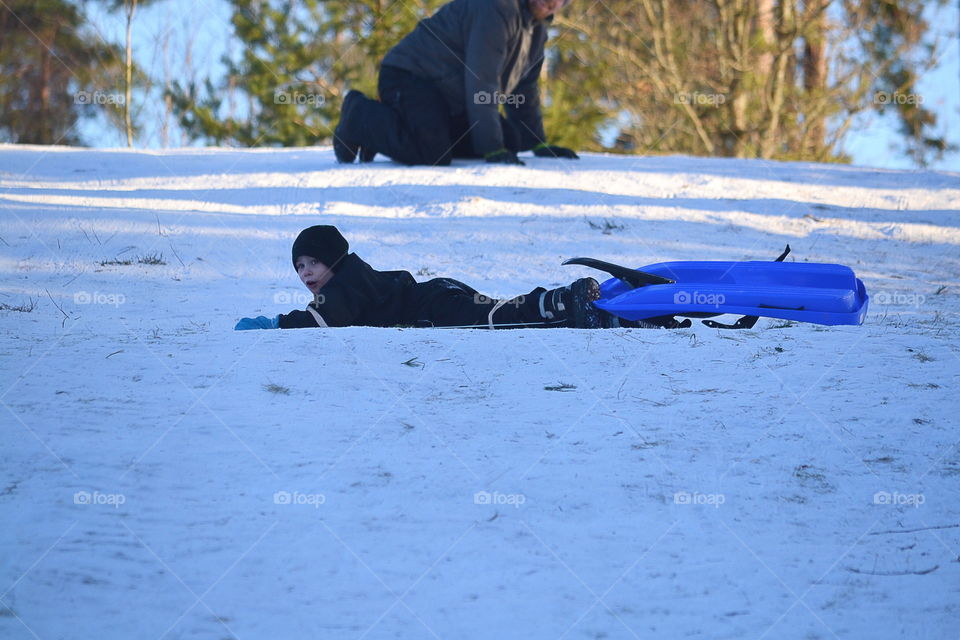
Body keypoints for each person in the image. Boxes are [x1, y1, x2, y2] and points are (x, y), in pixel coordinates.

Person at [332, 0, 579, 167]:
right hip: (411, 75)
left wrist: (536, 141)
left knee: (511, 142)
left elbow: (525, 89)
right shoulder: (498, 8)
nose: (550, 1)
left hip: (451, 96)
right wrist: (491, 147)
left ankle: (395, 130)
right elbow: (482, 79)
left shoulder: (536, 33)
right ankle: (360, 116)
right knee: (434, 154)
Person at [234, 225, 618, 330]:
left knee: (494, 318)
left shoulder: (346, 283)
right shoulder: (353, 278)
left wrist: (276, 324)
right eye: (299, 267)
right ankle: (593, 313)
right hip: (436, 294)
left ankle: (562, 300)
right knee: (500, 315)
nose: (305, 273)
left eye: (312, 263)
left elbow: (322, 319)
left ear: (334, 260)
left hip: (432, 306)